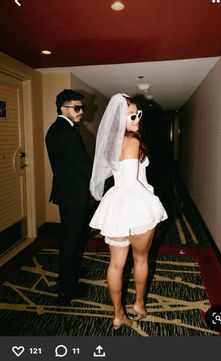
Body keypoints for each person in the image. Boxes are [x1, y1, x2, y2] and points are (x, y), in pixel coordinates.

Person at [89, 93, 167, 329]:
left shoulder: (111, 144)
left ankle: (117, 314)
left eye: (138, 114)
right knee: (141, 259)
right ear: (119, 119)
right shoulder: (132, 142)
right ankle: (139, 305)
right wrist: (154, 201)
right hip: (136, 204)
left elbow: (106, 176)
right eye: (131, 115)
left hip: (117, 206)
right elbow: (133, 183)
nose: (137, 119)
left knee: (115, 264)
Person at [45, 89, 92, 302]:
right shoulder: (65, 132)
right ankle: (66, 288)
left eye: (82, 107)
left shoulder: (58, 129)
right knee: (71, 239)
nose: (81, 111)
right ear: (63, 108)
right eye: (77, 108)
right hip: (73, 193)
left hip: (69, 191)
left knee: (72, 236)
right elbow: (83, 165)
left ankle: (72, 270)